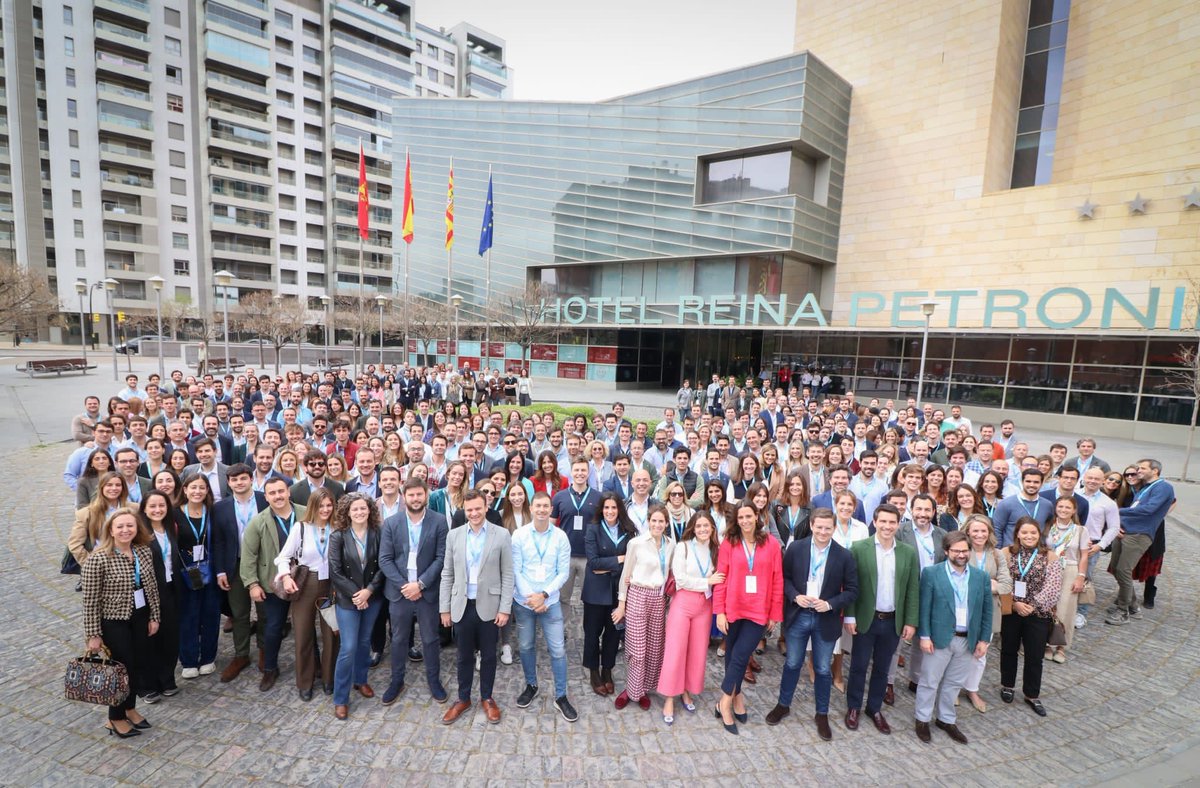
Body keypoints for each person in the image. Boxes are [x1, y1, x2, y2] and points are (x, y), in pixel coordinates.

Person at [766, 508, 859, 740]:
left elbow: (852, 590)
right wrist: (795, 596)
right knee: (793, 663)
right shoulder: (796, 549)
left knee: (822, 668)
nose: (823, 532)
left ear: (834, 528)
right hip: (798, 614)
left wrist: (830, 604)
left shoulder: (844, 555)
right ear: (811, 526)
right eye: (819, 527)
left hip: (825, 618)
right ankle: (783, 704)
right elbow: (784, 579)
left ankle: (822, 713)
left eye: (828, 528)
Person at [81, 508, 162, 738]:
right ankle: (114, 717)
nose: (126, 530)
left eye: (130, 526)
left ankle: (130, 708)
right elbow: (90, 601)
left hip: (140, 616)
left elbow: (152, 589)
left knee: (137, 664)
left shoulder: (143, 552)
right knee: (120, 669)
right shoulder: (98, 558)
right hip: (113, 620)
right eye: (120, 526)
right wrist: (93, 635)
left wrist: (154, 616)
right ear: (111, 530)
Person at [439, 490, 514, 725]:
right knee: (463, 656)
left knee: (489, 655)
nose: (473, 513)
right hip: (462, 604)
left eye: (478, 509)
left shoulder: (500, 535)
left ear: (486, 507)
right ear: (464, 510)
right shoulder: (454, 536)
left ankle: (487, 697)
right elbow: (448, 572)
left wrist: (504, 608)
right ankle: (463, 698)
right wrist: (445, 608)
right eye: (469, 509)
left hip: (490, 605)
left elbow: (508, 574)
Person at [843, 504, 919, 735]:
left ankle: (874, 708)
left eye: (892, 522)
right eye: (882, 521)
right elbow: (851, 586)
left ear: (898, 524)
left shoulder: (907, 552)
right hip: (867, 618)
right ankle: (854, 706)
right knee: (858, 665)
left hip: (892, 620)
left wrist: (910, 621)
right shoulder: (859, 548)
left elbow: (912, 589)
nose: (887, 526)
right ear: (874, 522)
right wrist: (850, 615)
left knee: (883, 668)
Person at [912, 530, 992, 745]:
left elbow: (987, 610)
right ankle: (922, 719)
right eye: (956, 550)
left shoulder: (980, 577)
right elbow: (924, 607)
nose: (961, 554)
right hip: (938, 638)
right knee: (929, 681)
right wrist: (925, 636)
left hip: (967, 639)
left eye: (964, 550)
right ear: (946, 551)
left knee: (954, 682)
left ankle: (946, 719)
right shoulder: (931, 573)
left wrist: (984, 640)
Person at [713, 503, 784, 735]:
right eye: (740, 517)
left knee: (742, 654)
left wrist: (775, 613)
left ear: (757, 517)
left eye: (748, 516)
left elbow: (777, 579)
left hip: (758, 610)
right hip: (733, 607)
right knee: (733, 655)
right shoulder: (728, 543)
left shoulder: (771, 544)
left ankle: (723, 701)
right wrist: (720, 611)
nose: (744, 520)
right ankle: (737, 697)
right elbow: (721, 578)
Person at [378, 478, 450, 705]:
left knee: (430, 638)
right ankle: (396, 680)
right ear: (404, 496)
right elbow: (385, 559)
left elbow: (441, 557)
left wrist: (420, 585)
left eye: (420, 494)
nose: (416, 499)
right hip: (400, 592)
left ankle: (434, 681)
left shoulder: (438, 522)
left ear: (426, 495)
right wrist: (405, 586)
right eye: (411, 495)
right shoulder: (392, 523)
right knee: (398, 639)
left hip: (427, 592)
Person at [510, 492, 578, 722]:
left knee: (558, 650)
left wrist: (544, 595)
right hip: (524, 602)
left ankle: (561, 696)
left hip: (550, 602)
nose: (541, 510)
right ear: (531, 508)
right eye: (537, 506)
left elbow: (563, 572)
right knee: (526, 646)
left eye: (545, 506)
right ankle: (531, 685)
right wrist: (532, 598)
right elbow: (516, 569)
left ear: (551, 509)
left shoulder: (560, 537)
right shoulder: (519, 536)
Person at [240, 476, 304, 692]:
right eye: (272, 493)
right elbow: (248, 556)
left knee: (306, 626)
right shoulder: (258, 521)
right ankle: (270, 668)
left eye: (281, 491)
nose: (278, 496)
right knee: (273, 627)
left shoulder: (306, 513)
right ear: (266, 497)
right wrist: (252, 584)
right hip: (273, 582)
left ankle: (312, 667)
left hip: (305, 579)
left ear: (288, 492)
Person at [658, 511, 723, 723]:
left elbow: (721, 578)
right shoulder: (683, 547)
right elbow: (681, 580)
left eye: (707, 526)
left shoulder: (716, 549)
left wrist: (709, 583)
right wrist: (707, 581)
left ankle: (687, 689)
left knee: (697, 652)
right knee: (675, 651)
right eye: (699, 526)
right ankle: (669, 696)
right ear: (693, 528)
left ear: (712, 528)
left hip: (704, 606)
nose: (703, 529)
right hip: (683, 603)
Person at [273, 486, 336, 701]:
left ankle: (329, 678)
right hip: (306, 583)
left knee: (332, 634)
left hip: (332, 585)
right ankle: (305, 682)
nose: (325, 510)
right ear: (313, 506)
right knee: (303, 634)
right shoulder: (300, 528)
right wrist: (286, 576)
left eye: (329, 505)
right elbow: (282, 558)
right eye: (321, 506)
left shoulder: (337, 528)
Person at [328, 493, 386, 720]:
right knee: (348, 646)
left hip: (372, 597)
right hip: (347, 599)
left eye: (364, 508)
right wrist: (356, 594)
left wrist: (369, 591)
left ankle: (360, 680)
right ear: (347, 512)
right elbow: (335, 571)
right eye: (355, 509)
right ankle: (340, 698)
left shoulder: (378, 533)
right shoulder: (338, 536)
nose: (360, 512)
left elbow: (383, 564)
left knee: (364, 641)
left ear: (370, 510)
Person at [613, 506, 674, 714]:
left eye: (661, 521)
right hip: (638, 595)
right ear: (648, 521)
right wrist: (622, 604)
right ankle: (631, 692)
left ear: (666, 523)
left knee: (654, 648)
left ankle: (642, 690)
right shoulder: (636, 543)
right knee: (637, 650)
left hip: (659, 598)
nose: (657, 525)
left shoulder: (671, 545)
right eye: (654, 521)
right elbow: (625, 575)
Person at [1000, 517, 1064, 716]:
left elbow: (1053, 587)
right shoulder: (1005, 553)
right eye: (1025, 532)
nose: (1029, 536)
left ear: (1039, 535)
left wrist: (1031, 605)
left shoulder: (1051, 557)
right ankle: (1007, 685)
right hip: (1011, 610)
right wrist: (1015, 604)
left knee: (1035, 655)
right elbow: (1001, 580)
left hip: (1038, 614)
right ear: (1017, 533)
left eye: (1033, 533)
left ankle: (1031, 694)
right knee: (1008, 650)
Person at [211, 463, 267, 683]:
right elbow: (218, 541)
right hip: (235, 565)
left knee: (265, 612)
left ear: (251, 479)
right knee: (239, 613)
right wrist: (220, 571)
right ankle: (241, 655)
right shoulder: (220, 507)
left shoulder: (265, 500)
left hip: (263, 564)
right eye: (234, 480)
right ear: (229, 482)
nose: (239, 483)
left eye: (243, 478)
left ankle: (264, 651)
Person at [1106, 459, 1174, 625]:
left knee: (1123, 570)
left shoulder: (1163, 487)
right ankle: (1133, 605)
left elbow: (1149, 509)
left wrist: (1118, 512)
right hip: (1126, 532)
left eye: (1142, 468)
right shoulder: (1144, 487)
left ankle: (1123, 611)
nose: (1138, 471)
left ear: (1155, 470)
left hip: (1139, 534)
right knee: (1117, 569)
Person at [582, 491, 636, 696]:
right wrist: (620, 560)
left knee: (613, 634)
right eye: (606, 507)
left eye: (613, 507)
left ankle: (607, 670)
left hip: (618, 591)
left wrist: (611, 565)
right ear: (601, 509)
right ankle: (594, 671)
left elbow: (633, 561)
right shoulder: (593, 529)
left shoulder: (629, 530)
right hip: (595, 592)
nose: (610, 511)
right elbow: (594, 563)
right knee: (592, 633)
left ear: (619, 509)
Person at [959, 514, 1012, 713]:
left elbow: (1006, 585)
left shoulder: (997, 555)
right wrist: (988, 584)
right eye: (975, 531)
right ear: (968, 532)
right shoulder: (962, 551)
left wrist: (980, 585)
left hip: (988, 610)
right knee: (960, 649)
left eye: (983, 531)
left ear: (989, 532)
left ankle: (972, 689)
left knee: (980, 653)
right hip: (963, 608)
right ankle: (955, 687)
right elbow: (957, 580)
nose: (979, 534)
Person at [172, 472, 221, 679]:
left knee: (210, 615)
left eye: (202, 487)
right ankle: (189, 660)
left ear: (207, 490)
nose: (197, 491)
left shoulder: (213, 512)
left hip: (210, 572)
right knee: (188, 617)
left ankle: (208, 658)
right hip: (185, 573)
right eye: (193, 487)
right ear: (184, 490)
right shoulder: (174, 514)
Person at [139, 492, 181, 703]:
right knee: (150, 638)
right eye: (152, 506)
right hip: (148, 591)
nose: (157, 510)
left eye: (161, 505)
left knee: (170, 636)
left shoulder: (171, 528)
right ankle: (148, 685)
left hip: (171, 587)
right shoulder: (139, 532)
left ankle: (167, 679)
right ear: (144, 509)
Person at [550, 459, 600, 637]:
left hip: (589, 556)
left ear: (588, 473)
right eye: (577, 470)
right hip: (566, 556)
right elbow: (552, 526)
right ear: (571, 472)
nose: (580, 473)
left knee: (590, 598)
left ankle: (591, 632)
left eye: (583, 470)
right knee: (563, 597)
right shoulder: (559, 496)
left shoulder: (597, 497)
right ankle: (560, 630)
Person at [1044, 497, 1089, 662]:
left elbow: (1084, 556)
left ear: (1074, 510)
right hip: (1049, 568)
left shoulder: (1081, 530)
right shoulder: (1048, 527)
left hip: (1070, 569)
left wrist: (1081, 577)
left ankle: (1061, 646)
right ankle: (1047, 643)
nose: (1063, 510)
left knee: (1066, 608)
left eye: (1067, 507)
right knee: (1049, 607)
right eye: (1060, 506)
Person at [69, 472, 130, 569]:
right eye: (109, 485)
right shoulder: (87, 513)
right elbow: (75, 544)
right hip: (103, 564)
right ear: (101, 488)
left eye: (118, 485)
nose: (114, 488)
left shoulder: (133, 509)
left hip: (129, 563)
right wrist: (91, 565)